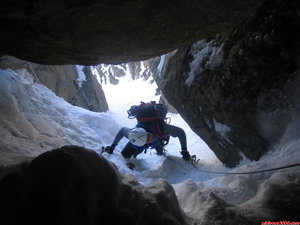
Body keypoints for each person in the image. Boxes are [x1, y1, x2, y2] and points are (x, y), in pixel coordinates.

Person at [104, 117, 191, 161]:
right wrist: (112, 147)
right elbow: (122, 131)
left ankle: (159, 151)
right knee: (124, 155)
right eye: (148, 140)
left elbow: (180, 132)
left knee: (159, 148)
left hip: (158, 139)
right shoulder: (132, 134)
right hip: (139, 144)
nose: (150, 138)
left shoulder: (162, 129)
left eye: (148, 136)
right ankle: (135, 154)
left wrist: (184, 150)